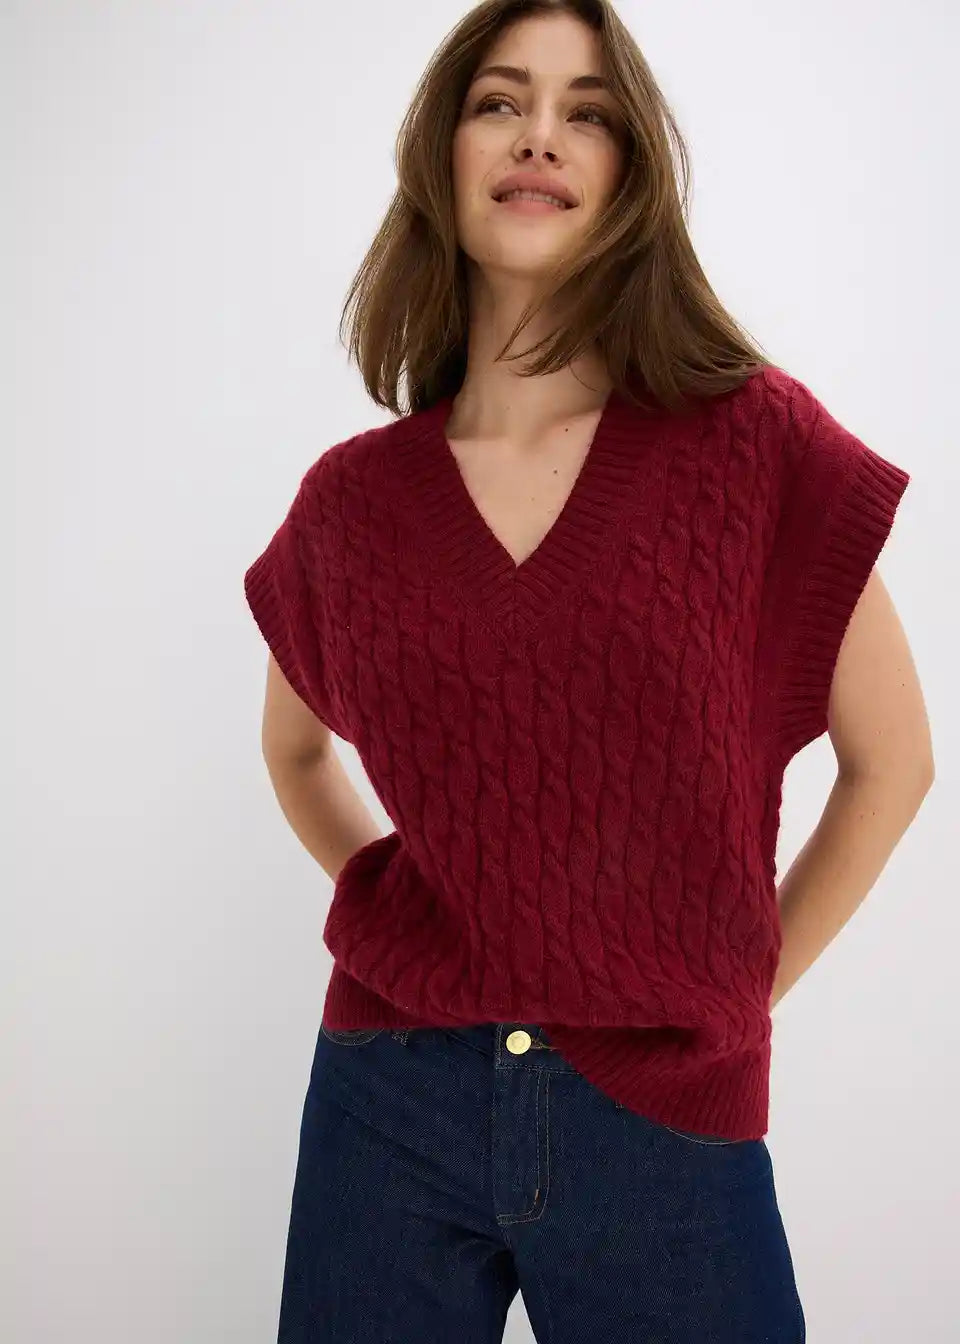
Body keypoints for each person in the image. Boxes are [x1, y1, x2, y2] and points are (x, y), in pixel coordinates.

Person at [243, 2, 933, 1339]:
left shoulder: (753, 445)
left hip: (661, 1114)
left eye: (588, 112)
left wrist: (740, 988)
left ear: (630, 170)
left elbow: (893, 762)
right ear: (443, 154)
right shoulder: (350, 503)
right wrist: (418, 910)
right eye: (500, 102)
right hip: (391, 1100)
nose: (541, 136)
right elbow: (292, 748)